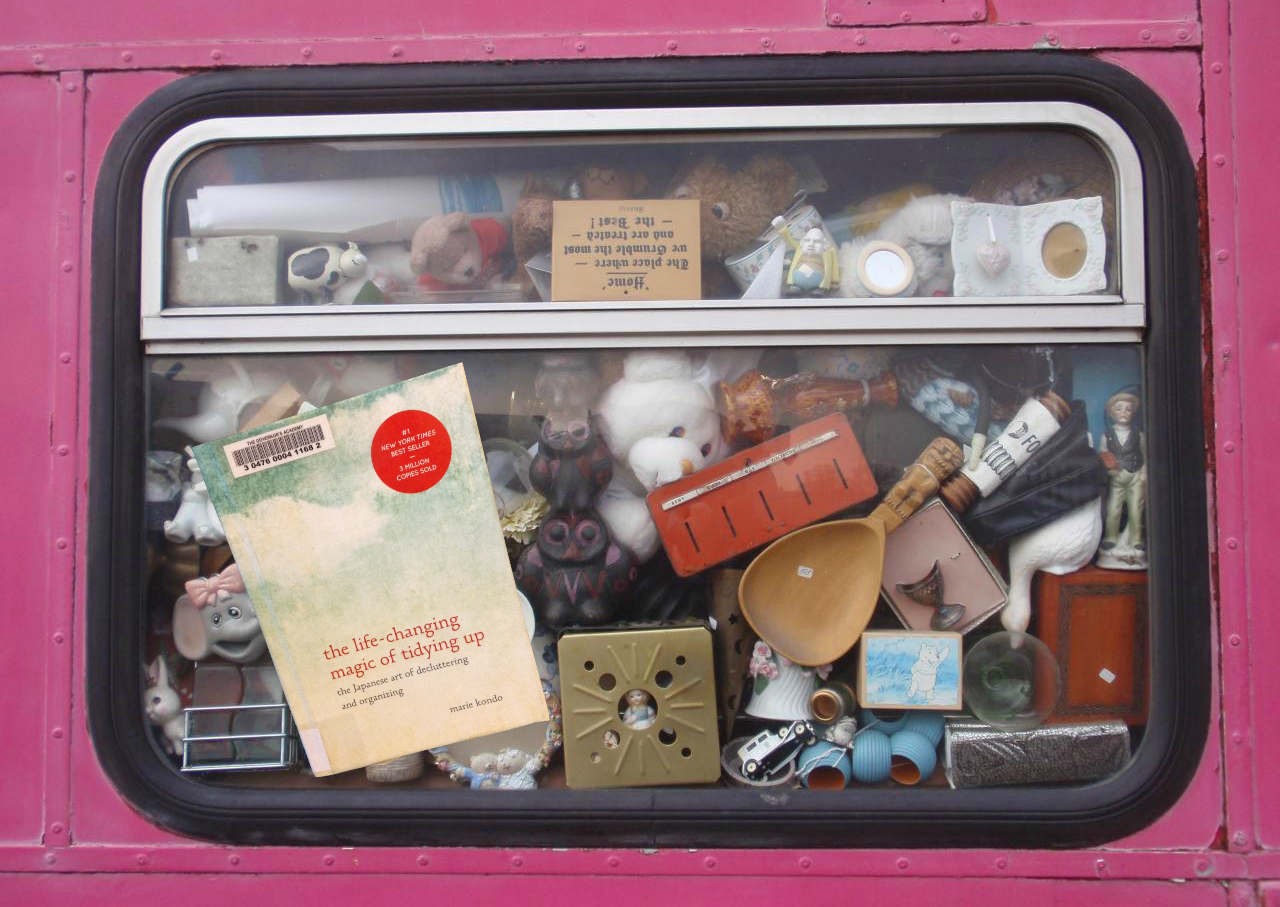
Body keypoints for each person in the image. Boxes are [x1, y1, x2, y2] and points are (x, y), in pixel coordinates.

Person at [1099, 390, 1146, 556]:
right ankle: (1110, 538)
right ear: (1112, 412)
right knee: (1113, 509)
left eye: (1128, 409)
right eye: (1119, 409)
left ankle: (1136, 540)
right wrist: (1109, 470)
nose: (1123, 412)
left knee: (1135, 509)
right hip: (1116, 477)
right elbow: (1104, 455)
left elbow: (1145, 455)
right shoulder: (1107, 436)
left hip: (1134, 476)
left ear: (1132, 413)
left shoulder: (1138, 435)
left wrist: (1143, 472)